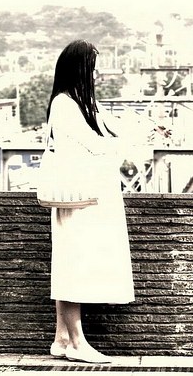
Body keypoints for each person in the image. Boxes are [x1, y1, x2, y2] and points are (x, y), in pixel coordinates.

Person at [44, 39, 168, 364]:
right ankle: (77, 344)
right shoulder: (65, 105)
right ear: (78, 69)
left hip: (85, 199)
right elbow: (97, 145)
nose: (95, 75)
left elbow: (113, 127)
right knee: (73, 268)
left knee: (70, 264)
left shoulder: (82, 103)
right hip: (78, 200)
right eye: (92, 69)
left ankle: (61, 339)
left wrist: (149, 128)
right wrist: (135, 140)